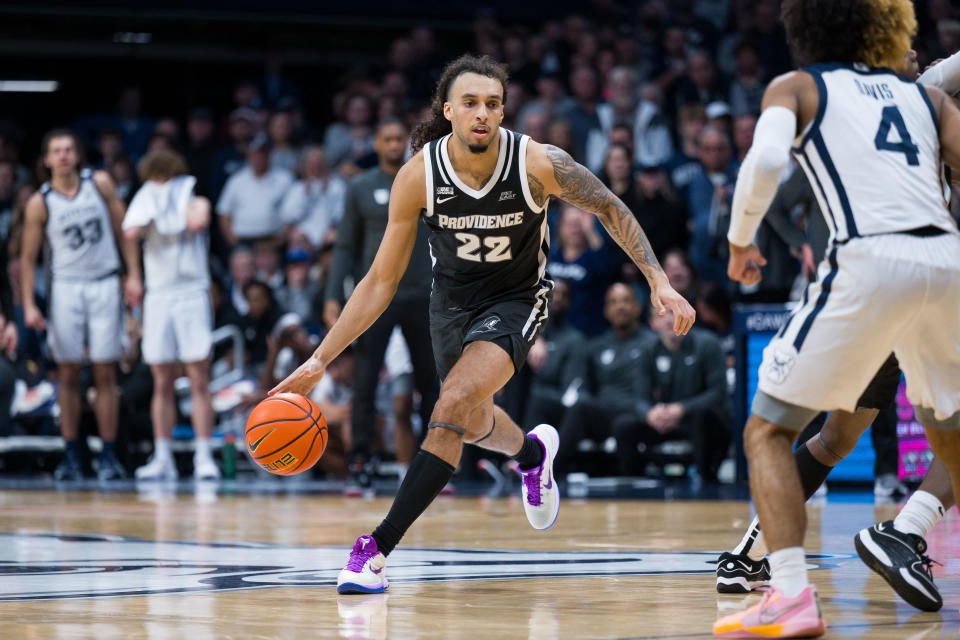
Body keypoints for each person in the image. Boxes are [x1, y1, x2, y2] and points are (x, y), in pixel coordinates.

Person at [270, 54, 694, 595]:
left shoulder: (537, 161)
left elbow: (610, 207)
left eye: (493, 104)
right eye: (470, 103)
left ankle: (373, 551)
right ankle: (533, 456)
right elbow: (378, 281)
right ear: (447, 111)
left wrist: (657, 280)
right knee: (470, 422)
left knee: (447, 409)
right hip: (449, 303)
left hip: (517, 298)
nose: (482, 113)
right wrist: (319, 359)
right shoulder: (418, 176)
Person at [713, 1, 960, 636]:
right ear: (889, 35)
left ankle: (790, 594)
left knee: (767, 428)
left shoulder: (799, 86)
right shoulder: (925, 99)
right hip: (946, 261)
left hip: (870, 262)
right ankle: (905, 531)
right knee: (950, 435)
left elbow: (765, 164)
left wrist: (742, 242)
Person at [20, 129, 142, 481]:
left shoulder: (99, 183)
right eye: (56, 150)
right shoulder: (39, 201)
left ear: (77, 155)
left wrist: (133, 274)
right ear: (46, 159)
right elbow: (28, 260)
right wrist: (29, 303)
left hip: (104, 281)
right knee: (68, 373)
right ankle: (71, 455)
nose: (63, 155)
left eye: (68, 149)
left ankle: (107, 456)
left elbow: (125, 229)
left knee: (106, 371)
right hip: (66, 288)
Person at [323, 117, 439, 486]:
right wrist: (332, 296)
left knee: (431, 383)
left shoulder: (426, 182)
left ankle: (435, 462)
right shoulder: (359, 187)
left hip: (422, 294)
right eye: (386, 138)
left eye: (398, 139)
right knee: (365, 382)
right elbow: (344, 246)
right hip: (377, 299)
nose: (393, 144)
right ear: (375, 143)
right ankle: (361, 462)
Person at [122, 149, 218, 481]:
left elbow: (198, 220)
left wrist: (172, 205)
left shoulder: (193, 195)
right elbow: (130, 232)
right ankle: (162, 456)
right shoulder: (144, 197)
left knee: (198, 378)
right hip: (159, 293)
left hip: (191, 292)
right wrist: (153, 212)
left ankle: (204, 455)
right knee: (161, 380)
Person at [611, 306, 730, 481]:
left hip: (697, 419)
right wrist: (650, 414)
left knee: (703, 417)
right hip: (665, 420)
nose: (668, 319)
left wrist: (682, 408)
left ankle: (706, 478)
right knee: (623, 425)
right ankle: (635, 482)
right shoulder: (648, 350)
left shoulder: (708, 344)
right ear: (653, 324)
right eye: (661, 315)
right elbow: (639, 398)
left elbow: (718, 393)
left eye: (673, 313)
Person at [553, 283, 655, 475]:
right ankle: (544, 467)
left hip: (638, 412)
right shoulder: (596, 346)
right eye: (613, 302)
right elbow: (582, 385)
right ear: (606, 311)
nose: (620, 306)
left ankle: (549, 470)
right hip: (604, 413)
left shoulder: (652, 343)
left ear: (637, 307)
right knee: (568, 406)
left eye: (626, 300)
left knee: (617, 422)